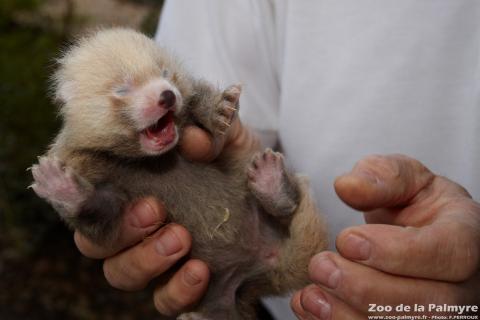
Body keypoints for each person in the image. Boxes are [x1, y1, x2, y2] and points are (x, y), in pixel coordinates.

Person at [74, 1, 480, 319]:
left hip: (288, 260)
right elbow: (230, 140)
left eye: (161, 72)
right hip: (288, 299)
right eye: (124, 91)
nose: (163, 92)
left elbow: (196, 92)